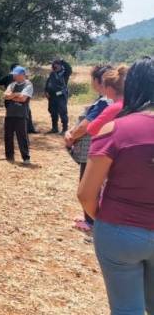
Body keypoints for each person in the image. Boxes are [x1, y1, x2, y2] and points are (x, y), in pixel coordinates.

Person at [77, 57, 154, 314]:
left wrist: (104, 219)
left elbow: (86, 193)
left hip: (119, 230)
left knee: (126, 308)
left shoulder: (115, 130)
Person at [65, 64, 113, 231]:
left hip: (92, 149)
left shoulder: (104, 102)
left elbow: (86, 126)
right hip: (102, 148)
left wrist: (71, 136)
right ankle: (90, 216)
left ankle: (91, 221)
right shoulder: (110, 99)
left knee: (89, 183)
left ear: (96, 80)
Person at [3, 66, 33, 165]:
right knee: (8, 136)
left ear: (21, 75)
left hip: (21, 115)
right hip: (10, 114)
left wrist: (12, 96)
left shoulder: (28, 85)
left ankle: (26, 157)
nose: (14, 76)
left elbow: (23, 99)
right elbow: (5, 96)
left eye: (15, 75)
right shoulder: (12, 84)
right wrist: (16, 94)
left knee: (22, 137)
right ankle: (9, 156)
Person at [86, 66, 127, 136]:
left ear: (110, 88)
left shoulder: (114, 107)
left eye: (104, 85)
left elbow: (91, 129)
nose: (102, 88)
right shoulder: (131, 104)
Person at [0, 63, 37, 133]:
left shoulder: (25, 82)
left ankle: (29, 129)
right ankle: (15, 129)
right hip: (10, 100)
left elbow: (22, 98)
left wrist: (10, 96)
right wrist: (12, 93)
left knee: (25, 113)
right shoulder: (8, 77)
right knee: (12, 114)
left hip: (17, 100)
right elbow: (2, 89)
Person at [45, 59, 72, 134]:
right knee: (53, 112)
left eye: (56, 64)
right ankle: (54, 128)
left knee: (63, 112)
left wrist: (62, 61)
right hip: (52, 96)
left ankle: (65, 129)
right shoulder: (52, 74)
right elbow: (48, 82)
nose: (55, 66)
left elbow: (69, 68)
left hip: (61, 96)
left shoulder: (65, 73)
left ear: (60, 65)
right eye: (54, 65)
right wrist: (46, 91)